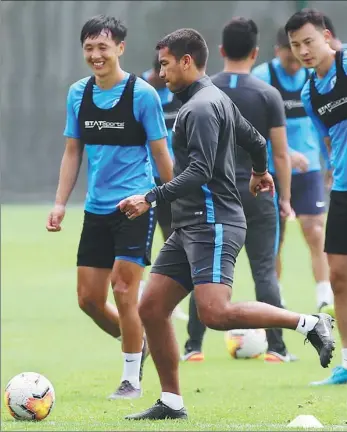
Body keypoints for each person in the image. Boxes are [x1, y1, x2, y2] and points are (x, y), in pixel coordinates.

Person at [117, 28, 335, 420]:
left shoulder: (199, 108)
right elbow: (254, 139)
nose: (161, 72)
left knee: (215, 313)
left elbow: (199, 171)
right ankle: (171, 402)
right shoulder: (213, 99)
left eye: (166, 64)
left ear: (187, 61)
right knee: (150, 308)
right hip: (190, 225)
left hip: (212, 222)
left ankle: (309, 322)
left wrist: (150, 197)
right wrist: (258, 171)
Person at [46, 15, 173, 399]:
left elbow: (161, 156)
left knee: (123, 290)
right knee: (88, 299)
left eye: (103, 47)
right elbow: (72, 152)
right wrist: (59, 203)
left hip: (134, 205)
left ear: (120, 48)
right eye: (88, 48)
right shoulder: (77, 94)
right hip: (96, 210)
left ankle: (131, 378)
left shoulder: (143, 95)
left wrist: (171, 199)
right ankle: (137, 340)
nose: (95, 55)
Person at [182, 17, 296, 364]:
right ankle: (277, 349)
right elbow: (279, 153)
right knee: (264, 269)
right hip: (258, 191)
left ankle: (193, 347)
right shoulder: (267, 94)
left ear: (220, 50)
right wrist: (286, 198)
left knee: (202, 269)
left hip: (213, 197)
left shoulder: (203, 91)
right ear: (255, 52)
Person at [253, 26, 334, 313]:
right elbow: (252, 128)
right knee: (275, 235)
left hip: (309, 167)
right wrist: (285, 152)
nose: (297, 58)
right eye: (291, 52)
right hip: (271, 169)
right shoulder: (263, 78)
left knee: (314, 228)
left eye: (302, 50)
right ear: (279, 51)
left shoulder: (313, 76)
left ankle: (325, 295)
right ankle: (276, 297)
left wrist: (328, 160)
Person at [286, 8, 347, 386]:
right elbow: (327, 141)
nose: (303, 50)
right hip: (341, 187)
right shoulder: (309, 91)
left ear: (326, 36)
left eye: (309, 41)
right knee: (339, 276)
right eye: (296, 46)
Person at [141, 55, 188, 322]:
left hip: (174, 179)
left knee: (173, 235)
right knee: (141, 240)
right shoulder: (142, 91)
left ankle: (170, 299)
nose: (166, 73)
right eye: (162, 67)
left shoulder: (179, 92)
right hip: (145, 181)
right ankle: (140, 294)